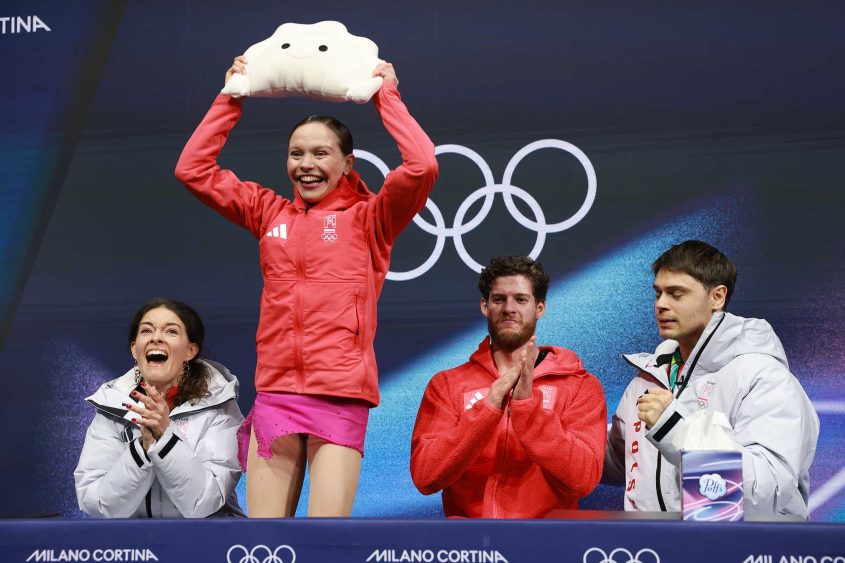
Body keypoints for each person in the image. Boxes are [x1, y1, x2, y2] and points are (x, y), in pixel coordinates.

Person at [174, 58, 438, 517]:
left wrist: (385, 96)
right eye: (297, 154)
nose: (307, 164)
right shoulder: (267, 212)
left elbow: (422, 165)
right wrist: (232, 97)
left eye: (321, 153)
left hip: (340, 396)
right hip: (276, 392)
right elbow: (193, 169)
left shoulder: (371, 217)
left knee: (324, 542)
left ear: (347, 161)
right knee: (264, 543)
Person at [604, 240, 819, 519]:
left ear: (717, 297)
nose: (661, 304)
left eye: (676, 294)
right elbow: (617, 463)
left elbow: (766, 492)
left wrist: (674, 430)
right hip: (650, 551)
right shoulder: (647, 380)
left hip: (737, 553)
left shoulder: (763, 377)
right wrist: (540, 420)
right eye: (658, 294)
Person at [410, 256, 606, 518]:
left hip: (546, 546)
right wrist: (488, 408)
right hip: (470, 550)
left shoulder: (579, 386)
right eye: (499, 299)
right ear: (485, 305)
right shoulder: (446, 385)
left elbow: (583, 479)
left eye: (521, 299)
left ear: (540, 308)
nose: (508, 308)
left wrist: (527, 409)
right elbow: (425, 476)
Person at [74, 298, 244, 518]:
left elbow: (203, 502)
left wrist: (165, 435)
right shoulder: (111, 408)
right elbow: (98, 504)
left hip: (206, 545)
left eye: (171, 332)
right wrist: (142, 449)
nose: (156, 338)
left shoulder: (219, 407)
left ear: (190, 351)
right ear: (135, 350)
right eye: (146, 331)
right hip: (134, 548)